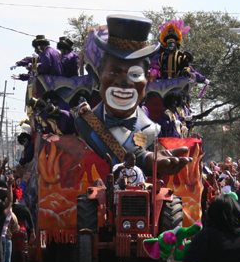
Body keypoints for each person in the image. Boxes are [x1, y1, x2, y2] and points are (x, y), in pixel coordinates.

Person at [74, 15, 192, 177]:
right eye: (114, 72)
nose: (124, 83)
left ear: (147, 78)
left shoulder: (151, 130)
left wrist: (149, 159)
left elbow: (136, 151)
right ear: (100, 73)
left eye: (135, 74)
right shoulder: (85, 121)